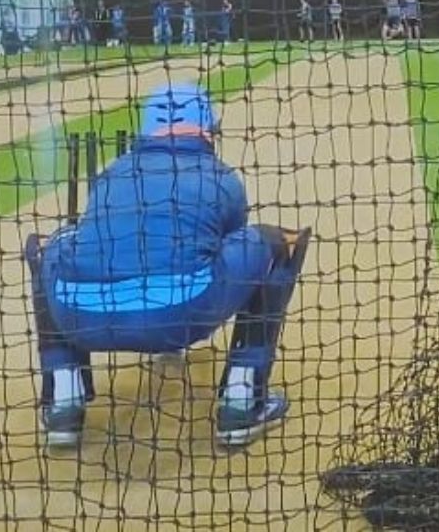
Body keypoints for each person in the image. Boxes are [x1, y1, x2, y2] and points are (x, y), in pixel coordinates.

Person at [24, 84, 304, 449]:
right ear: (207, 129)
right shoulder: (221, 177)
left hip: (79, 317)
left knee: (50, 247)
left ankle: (63, 400)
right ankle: (242, 401)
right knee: (273, 242)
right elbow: (225, 258)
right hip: (184, 313)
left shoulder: (111, 174)